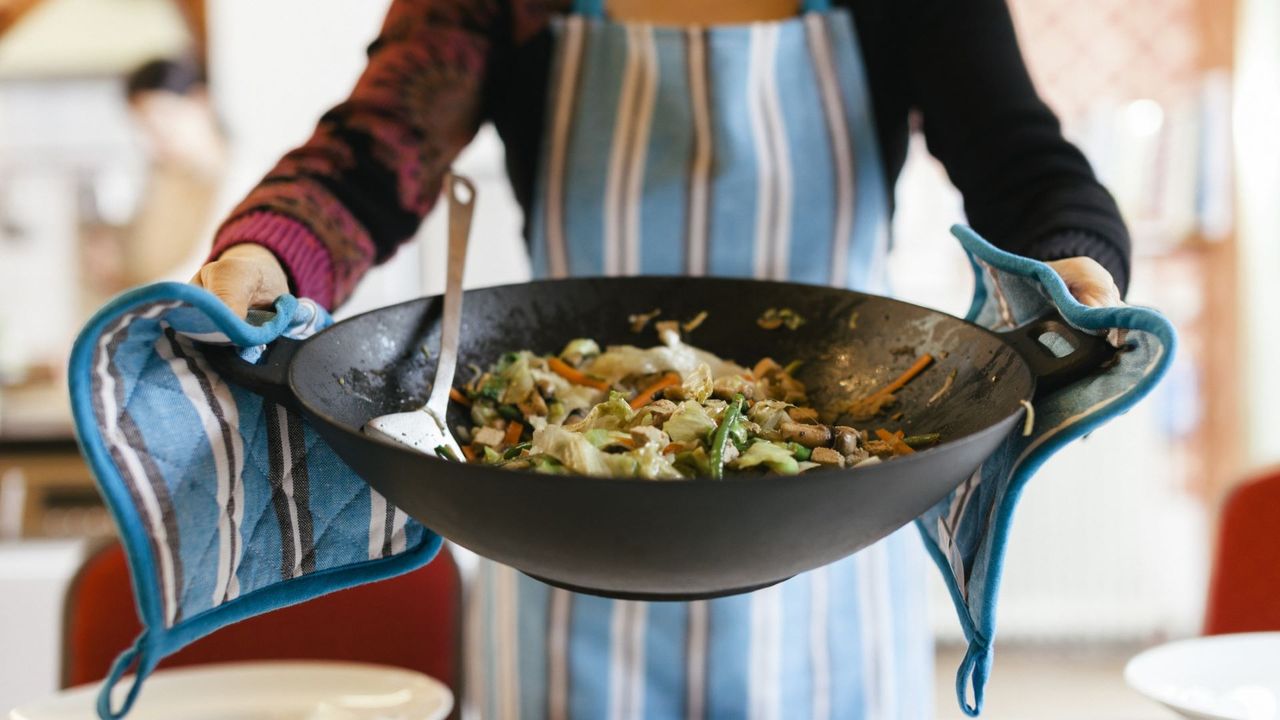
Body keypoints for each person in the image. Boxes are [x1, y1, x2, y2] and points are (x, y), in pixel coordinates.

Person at [193, 0, 1126, 717]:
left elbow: (1025, 167)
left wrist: (1073, 267)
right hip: (554, 519)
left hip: (829, 526)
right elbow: (373, 151)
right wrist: (266, 257)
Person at [122, 58, 227, 287]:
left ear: (201, 101)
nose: (159, 138)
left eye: (166, 117)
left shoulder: (249, 178)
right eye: (147, 127)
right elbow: (146, 262)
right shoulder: (163, 179)